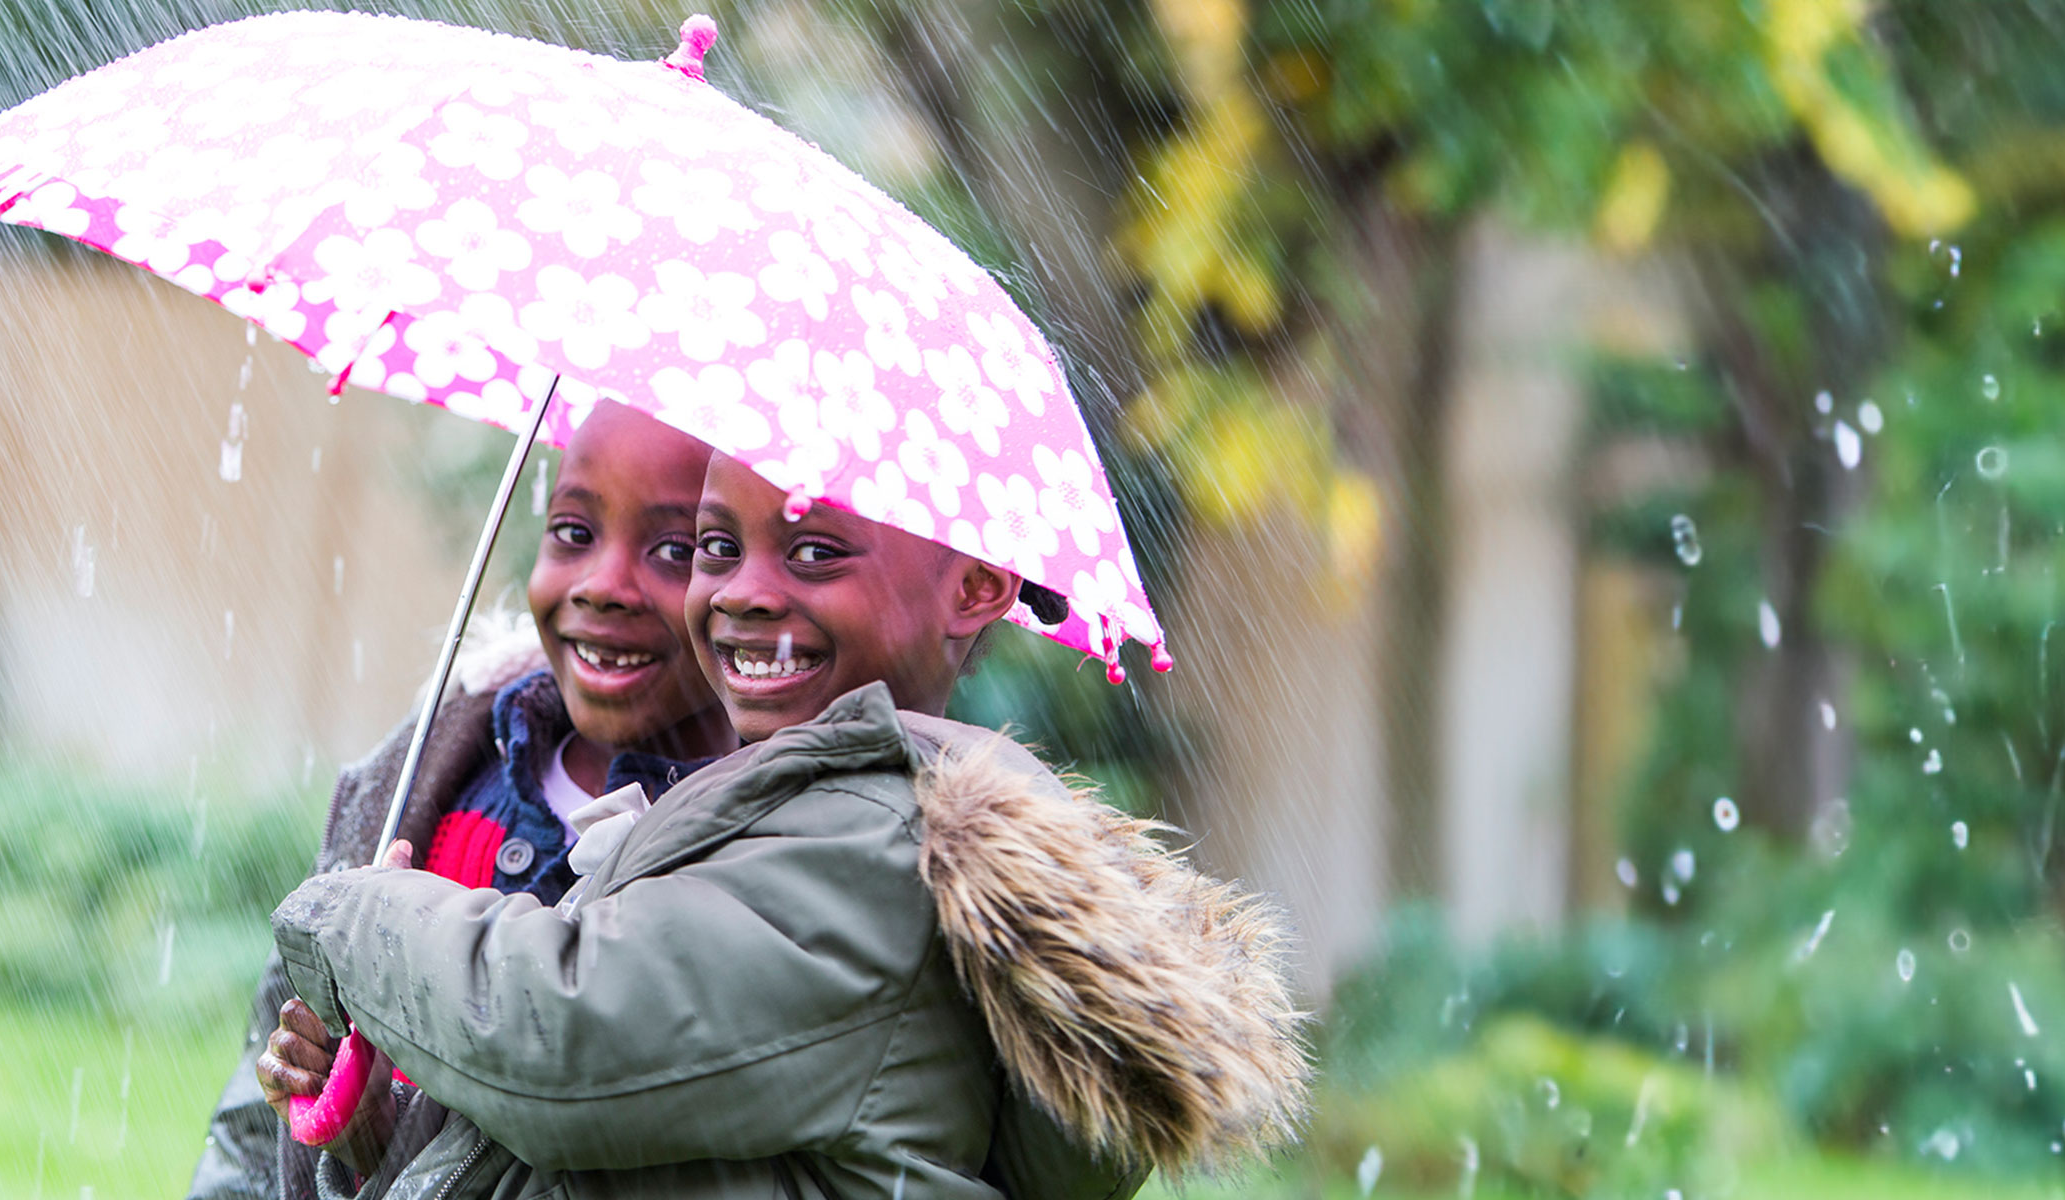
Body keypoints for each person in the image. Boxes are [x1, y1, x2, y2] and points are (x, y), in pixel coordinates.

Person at [255, 455, 1312, 1198]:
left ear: (978, 583)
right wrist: (381, 1133)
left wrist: (360, 916)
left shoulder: (872, 845)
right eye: (717, 546)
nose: (743, 593)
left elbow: (567, 1034)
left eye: (813, 552)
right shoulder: (790, 811)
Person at [190, 400, 740, 1200]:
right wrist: (351, 1124)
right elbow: (253, 1124)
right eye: (574, 532)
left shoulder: (745, 849)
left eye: (676, 549)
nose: (604, 584)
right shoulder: (423, 781)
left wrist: (394, 1131)